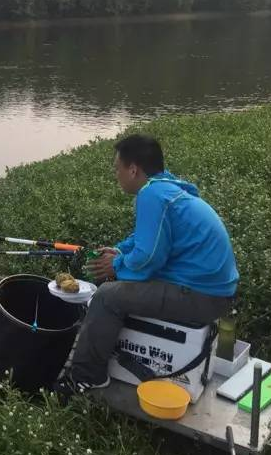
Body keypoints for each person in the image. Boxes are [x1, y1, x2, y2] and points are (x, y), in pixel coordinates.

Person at [55, 134, 239, 399]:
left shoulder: (151, 194)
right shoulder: (167, 187)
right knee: (118, 287)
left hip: (202, 297)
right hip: (211, 291)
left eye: (117, 168)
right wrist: (120, 251)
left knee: (107, 297)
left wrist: (116, 266)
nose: (116, 174)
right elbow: (145, 240)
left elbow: (150, 258)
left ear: (133, 169)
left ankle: (86, 378)